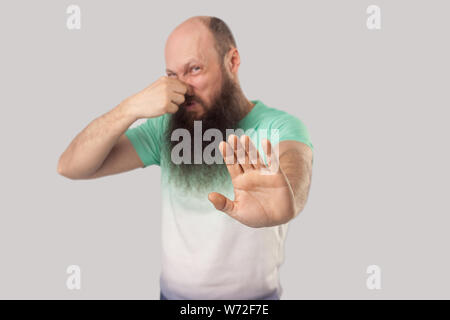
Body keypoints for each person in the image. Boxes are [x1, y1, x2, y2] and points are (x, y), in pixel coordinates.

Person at [57, 16, 314, 300]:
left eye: (194, 69)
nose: (182, 89)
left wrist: (287, 200)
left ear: (233, 61)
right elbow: (70, 166)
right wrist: (130, 108)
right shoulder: (165, 129)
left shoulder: (279, 126)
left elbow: (295, 167)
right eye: (172, 76)